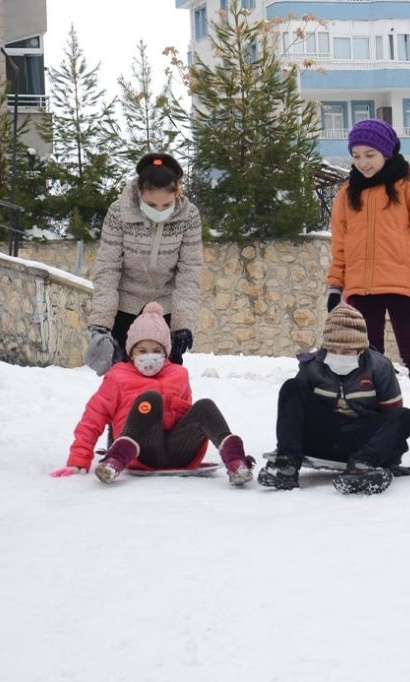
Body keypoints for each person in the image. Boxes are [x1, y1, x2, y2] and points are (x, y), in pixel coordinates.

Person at [326, 118, 410, 454]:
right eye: (357, 155)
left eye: (370, 155)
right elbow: (341, 245)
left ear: (387, 153)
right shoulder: (348, 194)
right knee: (369, 360)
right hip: (362, 289)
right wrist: (336, 286)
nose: (362, 162)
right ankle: (374, 425)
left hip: (402, 286)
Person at [51, 302, 255, 486]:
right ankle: (115, 462)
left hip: (179, 450)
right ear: (131, 352)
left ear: (165, 353)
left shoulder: (179, 375)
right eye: (142, 350)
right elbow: (92, 419)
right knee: (150, 399)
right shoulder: (118, 377)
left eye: (156, 350)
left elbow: (188, 420)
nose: (150, 356)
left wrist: (174, 407)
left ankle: (236, 462)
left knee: (205, 406)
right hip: (139, 451)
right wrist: (78, 460)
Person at [259, 303, 410, 495]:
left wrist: (387, 453)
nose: (339, 356)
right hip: (322, 435)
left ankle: (362, 466)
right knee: (291, 388)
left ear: (361, 349)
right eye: (334, 350)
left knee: (405, 416)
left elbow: (392, 420)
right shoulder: (312, 367)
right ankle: (287, 465)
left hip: (361, 439)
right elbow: (295, 411)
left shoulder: (380, 367)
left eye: (347, 352)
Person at [84, 153, 202, 376]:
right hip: (124, 307)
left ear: (177, 193)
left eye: (166, 204)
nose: (159, 211)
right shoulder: (119, 213)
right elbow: (108, 269)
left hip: (165, 308)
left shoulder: (189, 217)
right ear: (139, 192)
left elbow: (189, 273)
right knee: (122, 379)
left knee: (167, 381)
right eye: (151, 204)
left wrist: (182, 325)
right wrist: (101, 324)